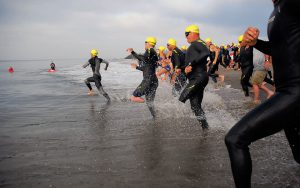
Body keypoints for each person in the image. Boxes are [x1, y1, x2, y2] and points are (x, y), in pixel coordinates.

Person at [225, 0, 300, 187]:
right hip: (286, 91)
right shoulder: (277, 8)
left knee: (235, 139)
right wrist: (255, 42)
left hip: (295, 92)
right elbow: (279, 48)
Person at [179, 24, 209, 130]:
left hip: (198, 77)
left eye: (187, 34)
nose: (186, 37)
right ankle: (205, 128)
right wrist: (182, 69)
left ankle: (172, 121)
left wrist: (191, 64)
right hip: (197, 77)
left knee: (182, 98)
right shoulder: (195, 44)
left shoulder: (197, 43)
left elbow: (206, 53)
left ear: (194, 33)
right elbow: (192, 63)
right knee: (195, 106)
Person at [127, 36, 159, 118]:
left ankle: (161, 107)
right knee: (150, 103)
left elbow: (142, 59)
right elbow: (147, 68)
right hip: (153, 80)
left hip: (148, 80)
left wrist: (132, 52)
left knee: (134, 97)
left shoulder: (150, 50)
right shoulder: (153, 53)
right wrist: (137, 67)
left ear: (148, 43)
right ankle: (156, 116)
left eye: (145, 43)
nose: (144, 45)